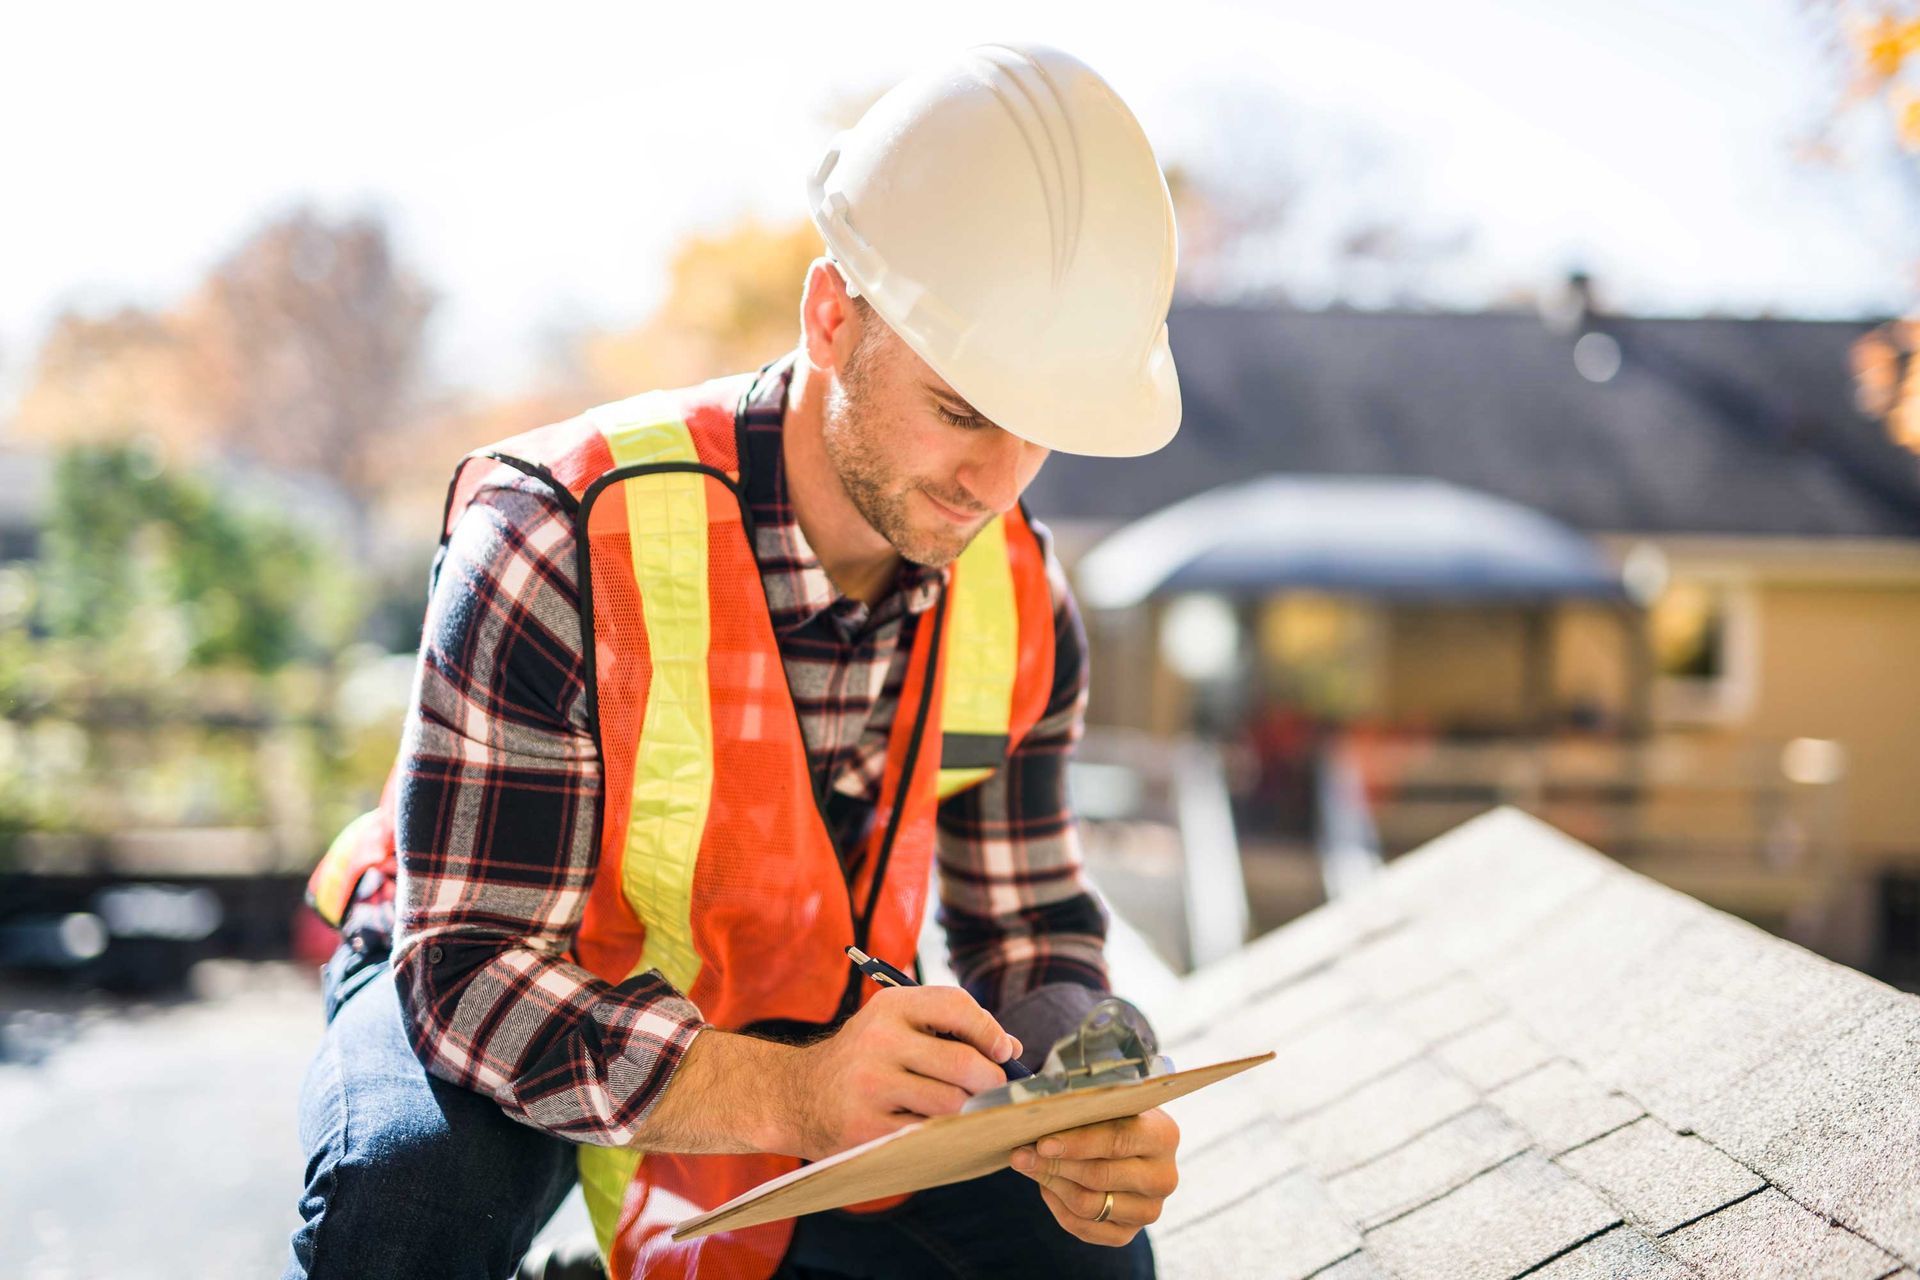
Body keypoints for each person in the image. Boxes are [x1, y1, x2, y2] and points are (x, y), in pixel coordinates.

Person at [287, 41, 1184, 1280]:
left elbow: (1028, 929)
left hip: (794, 1002)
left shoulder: (1021, 597)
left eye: (1043, 432)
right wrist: (794, 1096)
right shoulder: (556, 533)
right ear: (831, 316)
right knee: (405, 1197)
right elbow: (474, 972)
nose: (996, 480)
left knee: (1087, 1258)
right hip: (501, 961)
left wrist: (1096, 1075)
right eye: (964, 407)